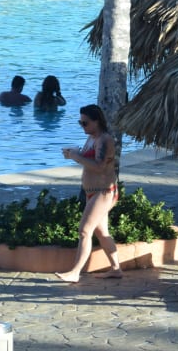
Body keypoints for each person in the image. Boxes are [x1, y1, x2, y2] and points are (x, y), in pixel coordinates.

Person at [55, 104, 122, 283]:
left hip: (103, 191)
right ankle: (116, 269)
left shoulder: (105, 140)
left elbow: (100, 167)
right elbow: (87, 159)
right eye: (80, 123)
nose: (82, 126)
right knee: (102, 233)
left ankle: (75, 272)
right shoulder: (92, 138)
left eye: (85, 123)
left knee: (85, 231)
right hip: (92, 192)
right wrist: (74, 153)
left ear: (96, 121)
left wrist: (75, 157)